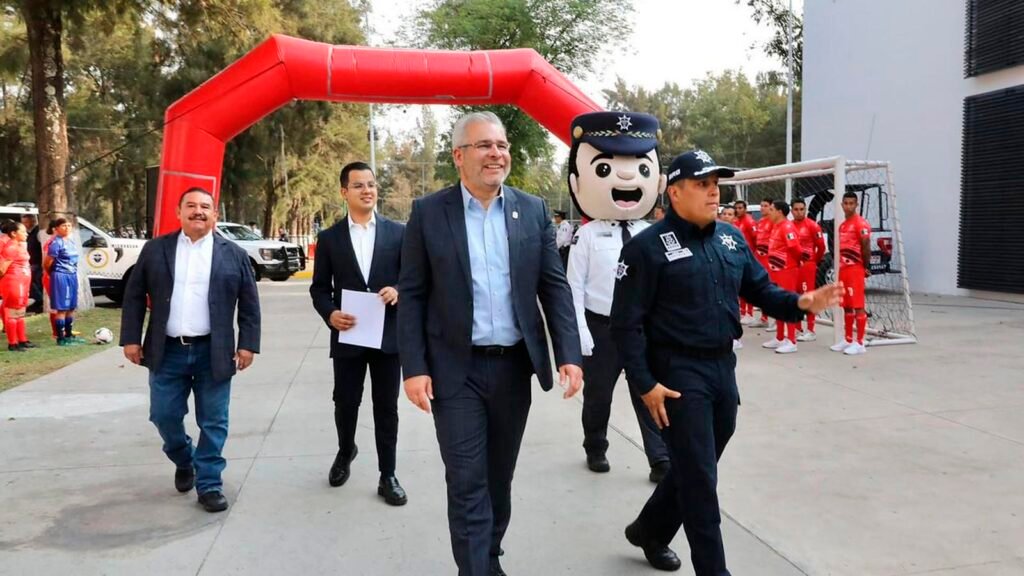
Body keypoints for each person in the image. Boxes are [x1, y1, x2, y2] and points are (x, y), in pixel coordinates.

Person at [611, 150, 842, 575]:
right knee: (701, 480)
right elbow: (626, 325)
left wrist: (800, 303)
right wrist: (645, 384)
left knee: (694, 465)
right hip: (677, 374)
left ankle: (650, 529)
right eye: (702, 184)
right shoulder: (646, 249)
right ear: (675, 192)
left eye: (715, 183)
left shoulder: (731, 239)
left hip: (722, 368)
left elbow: (761, 290)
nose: (713, 192)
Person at [398, 111, 583, 576]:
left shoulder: (532, 210)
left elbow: (554, 286)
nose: (496, 154)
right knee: (466, 481)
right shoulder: (428, 213)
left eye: (501, 145)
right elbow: (412, 294)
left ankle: (489, 555)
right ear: (459, 156)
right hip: (454, 371)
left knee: (498, 479)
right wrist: (414, 367)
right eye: (484, 145)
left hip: (512, 370)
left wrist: (569, 354)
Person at [120, 187, 261, 513]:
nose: (199, 211)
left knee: (214, 421)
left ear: (215, 214)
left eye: (205, 207)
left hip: (214, 351)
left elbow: (249, 305)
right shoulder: (156, 249)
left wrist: (247, 345)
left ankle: (209, 483)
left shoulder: (233, 254)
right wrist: (130, 338)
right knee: (163, 415)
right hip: (167, 350)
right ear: (178, 212)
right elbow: (134, 295)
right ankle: (185, 458)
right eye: (192, 206)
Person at [565, 111, 670, 482]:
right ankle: (595, 445)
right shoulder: (588, 235)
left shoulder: (651, 233)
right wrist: (581, 332)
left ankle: (659, 457)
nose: (626, 179)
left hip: (642, 328)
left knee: (649, 391)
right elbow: (574, 285)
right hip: (602, 327)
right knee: (599, 396)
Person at [309, 161, 408, 505]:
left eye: (371, 184)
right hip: (348, 336)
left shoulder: (397, 233)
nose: (367, 190)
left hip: (387, 338)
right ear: (344, 192)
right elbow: (319, 289)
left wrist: (398, 290)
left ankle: (387, 474)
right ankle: (345, 450)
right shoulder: (330, 238)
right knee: (346, 401)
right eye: (359, 185)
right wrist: (330, 313)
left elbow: (413, 278)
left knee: (387, 407)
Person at [832, 191, 872, 355]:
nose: (848, 206)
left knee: (858, 305)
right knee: (846, 305)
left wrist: (865, 266)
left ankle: (860, 342)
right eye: (846, 203)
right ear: (841, 205)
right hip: (844, 269)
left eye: (851, 203)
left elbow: (866, 245)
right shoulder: (842, 225)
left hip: (855, 269)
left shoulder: (860, 223)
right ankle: (848, 339)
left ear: (856, 205)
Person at [762, 200, 803, 353]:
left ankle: (791, 340)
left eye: (772, 209)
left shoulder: (787, 227)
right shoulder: (776, 226)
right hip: (776, 270)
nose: (769, 212)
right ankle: (780, 337)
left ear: (779, 212)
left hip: (786, 270)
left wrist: (793, 264)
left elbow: (796, 248)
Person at [45, 218, 86, 346]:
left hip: (72, 275)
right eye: (64, 225)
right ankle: (61, 338)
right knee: (62, 308)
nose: (67, 228)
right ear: (56, 228)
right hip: (61, 276)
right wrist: (54, 273)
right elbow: (47, 263)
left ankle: (69, 335)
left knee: (71, 307)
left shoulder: (71, 241)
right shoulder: (56, 243)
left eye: (69, 225)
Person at [791, 199, 826, 341]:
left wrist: (813, 261)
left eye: (802, 209)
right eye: (796, 209)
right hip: (793, 267)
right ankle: (797, 328)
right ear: (792, 210)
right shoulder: (789, 226)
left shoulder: (812, 225)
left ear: (805, 210)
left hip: (807, 266)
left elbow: (821, 246)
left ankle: (811, 330)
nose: (799, 212)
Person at [0, 221, 37, 351]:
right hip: (14, 282)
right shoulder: (11, 248)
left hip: (23, 282)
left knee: (20, 312)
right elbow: (2, 269)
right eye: (23, 232)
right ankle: (13, 343)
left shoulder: (19, 245)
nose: (26, 234)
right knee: (13, 313)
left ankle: (22, 340)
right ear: (14, 233)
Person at [750, 199, 775, 328]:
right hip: (760, 258)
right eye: (761, 205)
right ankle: (764, 318)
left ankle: (776, 320)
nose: (762, 208)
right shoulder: (760, 222)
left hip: (770, 259)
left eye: (765, 206)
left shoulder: (774, 222)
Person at [733, 200, 757, 324]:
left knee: (748, 286)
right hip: (738, 257)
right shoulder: (736, 221)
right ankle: (742, 312)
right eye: (736, 208)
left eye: (740, 208)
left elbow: (756, 239)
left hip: (748, 258)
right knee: (740, 286)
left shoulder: (749, 221)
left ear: (745, 209)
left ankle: (750, 313)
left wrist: (752, 256)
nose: (738, 210)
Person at [22, 214, 43, 314]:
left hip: (37, 264)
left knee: (35, 285)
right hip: (30, 264)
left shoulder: (38, 232)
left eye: (27, 222)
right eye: (24, 222)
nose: (25, 224)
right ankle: (37, 303)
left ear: (33, 221)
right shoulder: (28, 233)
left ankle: (39, 302)